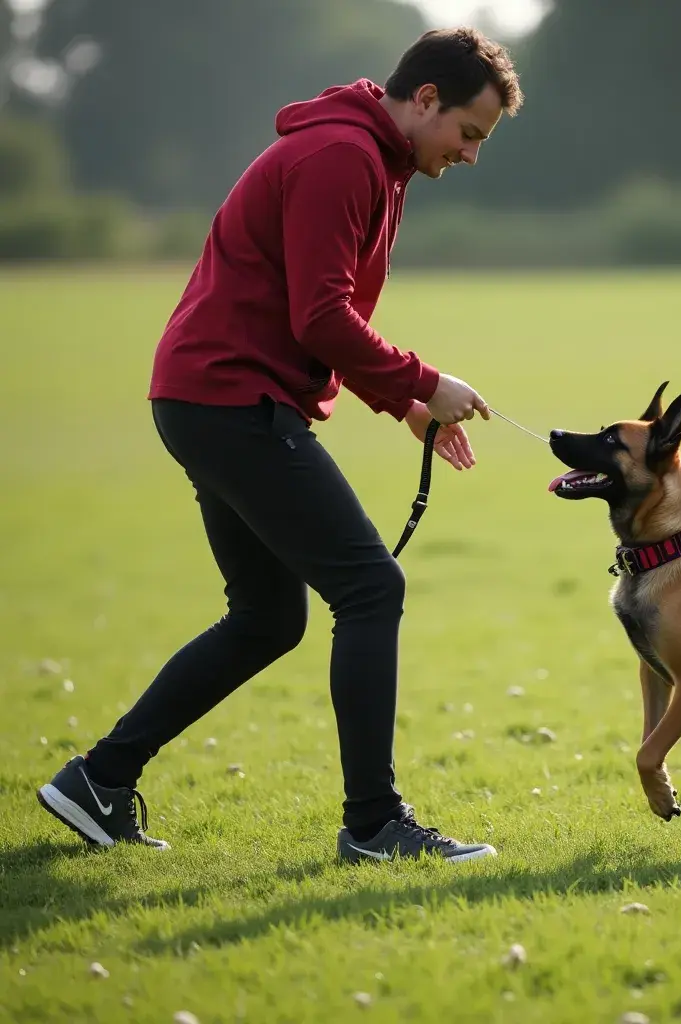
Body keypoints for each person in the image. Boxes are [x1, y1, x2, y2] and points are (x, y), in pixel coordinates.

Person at [37, 27, 523, 864]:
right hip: (230, 399)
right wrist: (423, 381)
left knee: (268, 618)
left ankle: (98, 780)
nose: (472, 155)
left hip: (211, 398)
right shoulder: (343, 157)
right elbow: (320, 318)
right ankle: (374, 824)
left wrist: (403, 405)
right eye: (469, 134)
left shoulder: (376, 159)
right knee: (371, 588)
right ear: (427, 101)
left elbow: (327, 316)